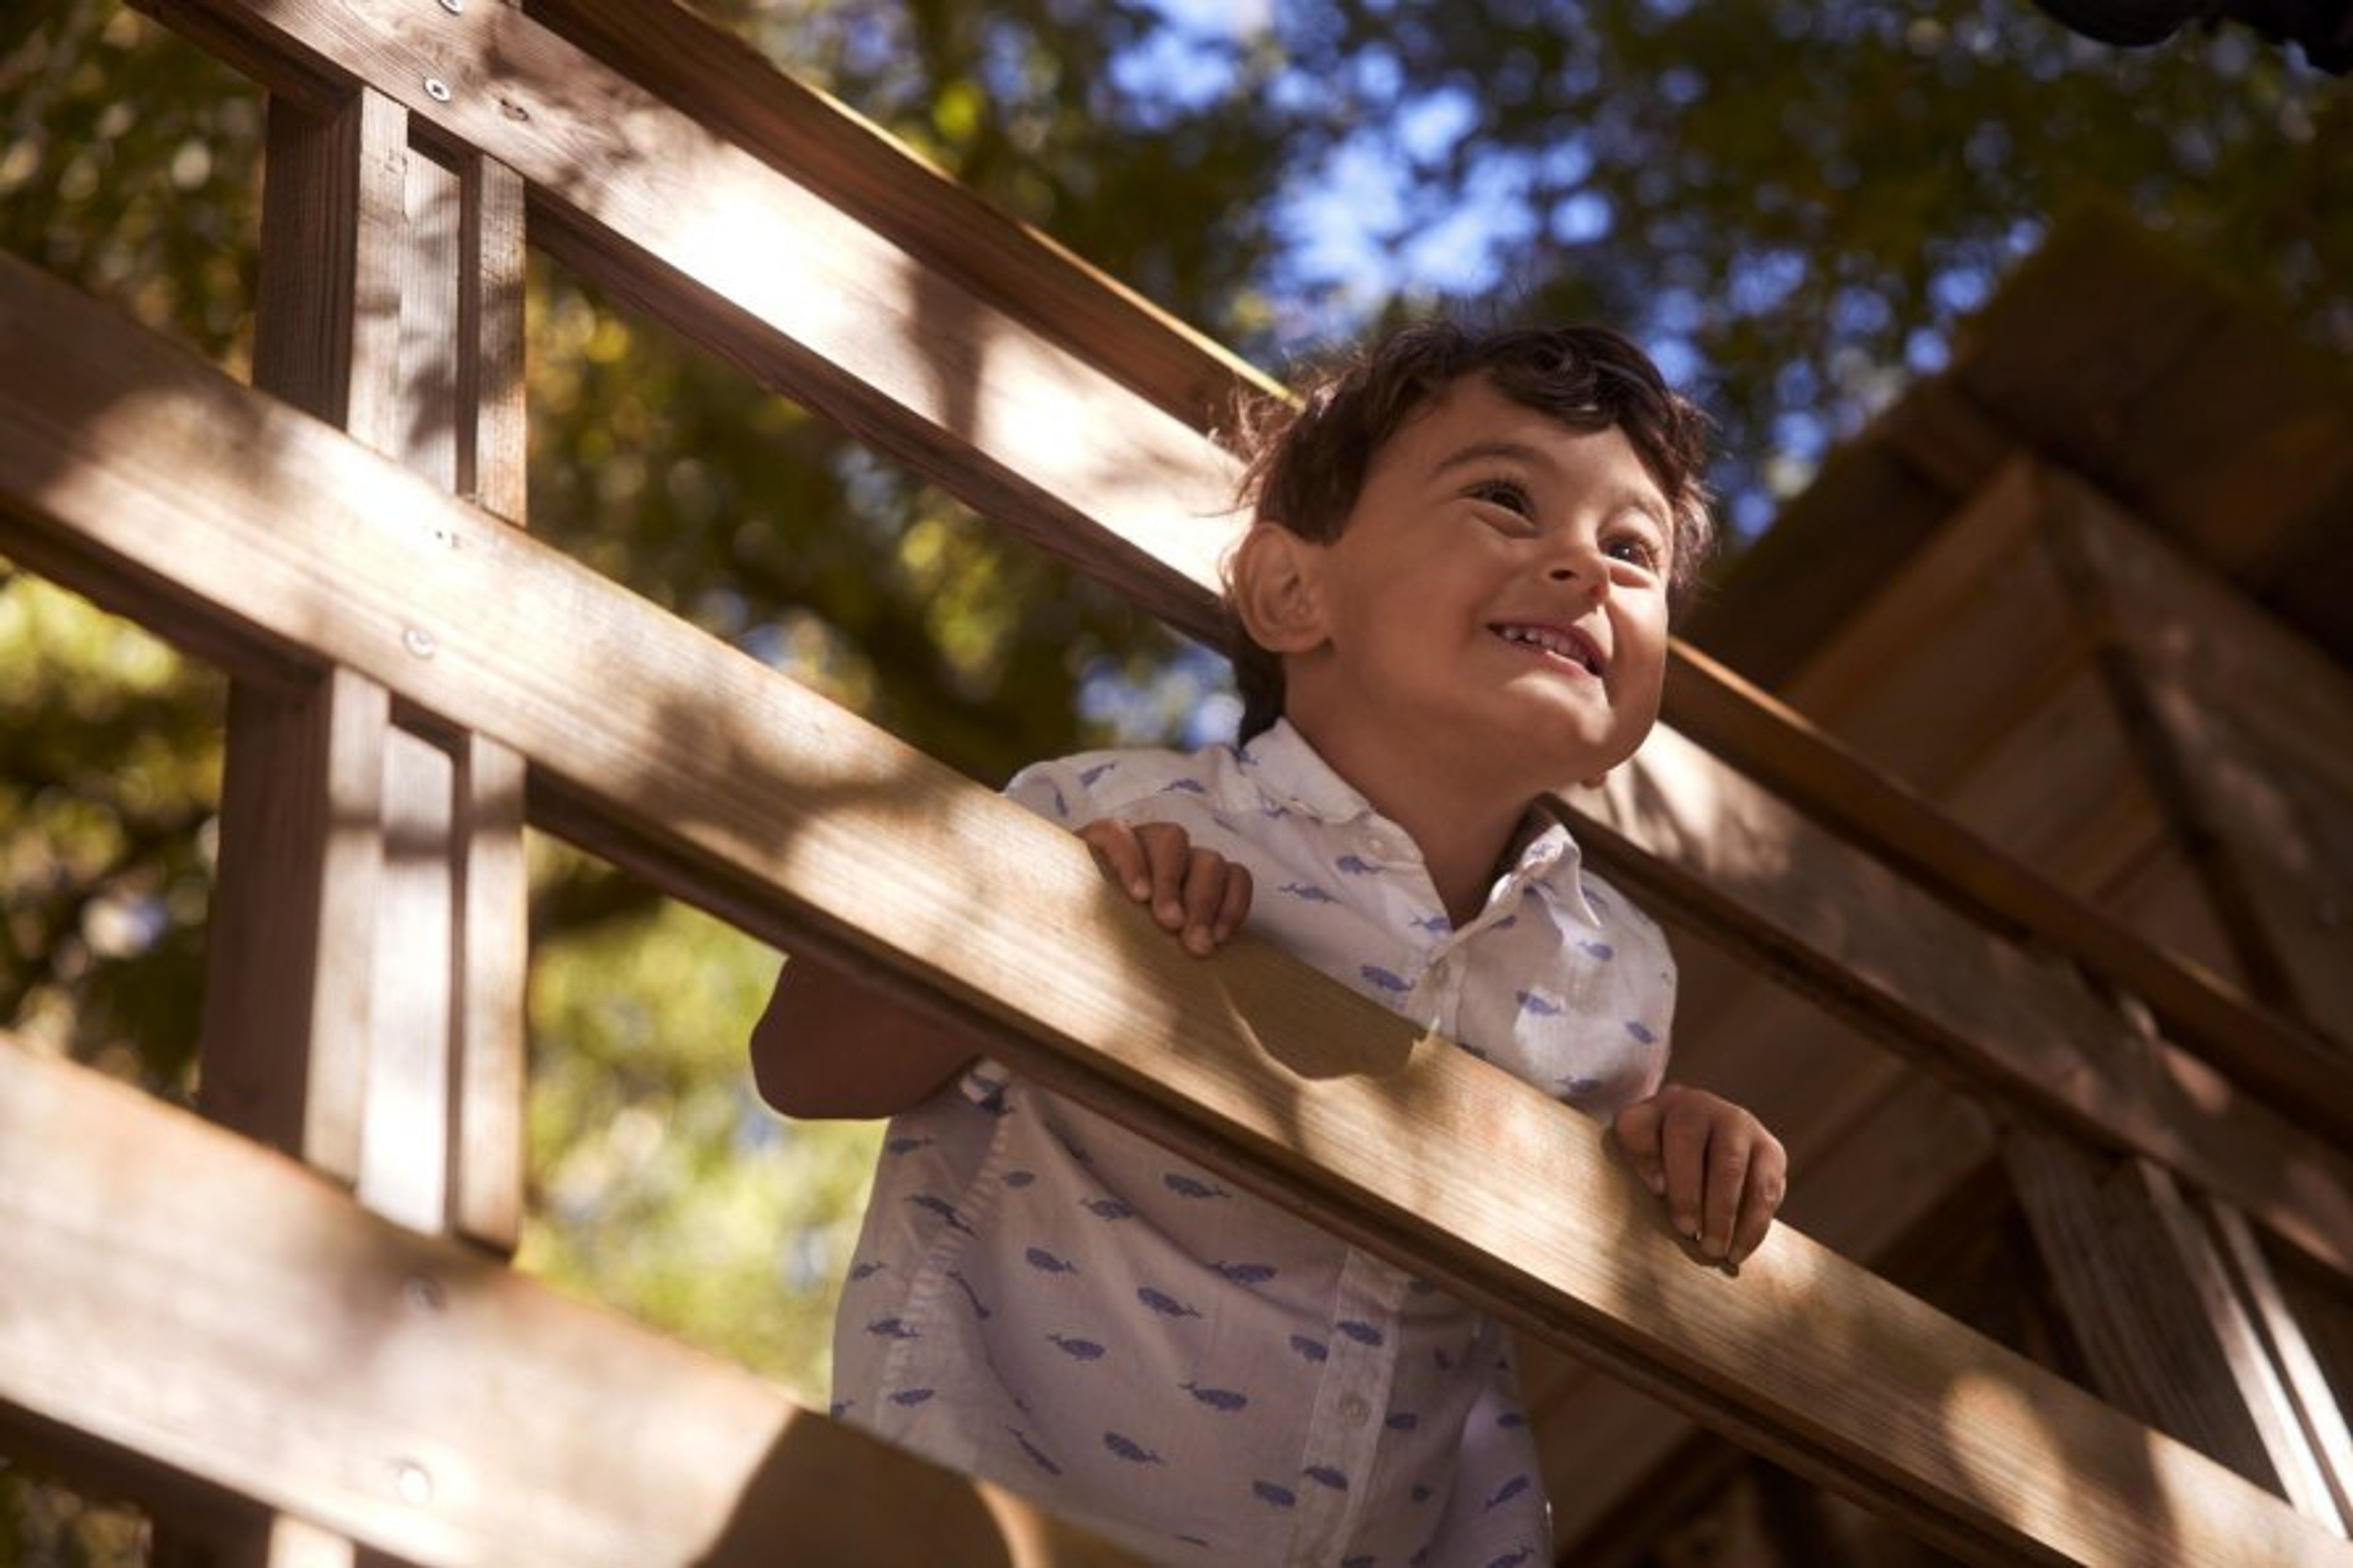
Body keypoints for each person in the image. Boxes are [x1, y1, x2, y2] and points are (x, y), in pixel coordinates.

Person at [750, 321, 1788, 1565]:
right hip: (1000, 1521)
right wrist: (1050, 926)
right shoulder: (1108, 817)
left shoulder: (1620, 977)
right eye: (1507, 501)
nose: (1584, 564)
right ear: (1296, 593)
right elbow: (800, 1065)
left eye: (1634, 550)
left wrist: (1685, 1145)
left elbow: (1608, 1237)